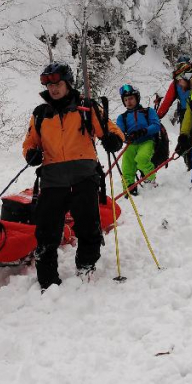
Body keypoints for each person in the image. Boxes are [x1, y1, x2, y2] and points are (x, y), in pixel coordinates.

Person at [22, 62, 124, 290]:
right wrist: (31, 154)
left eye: (58, 84)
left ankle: (86, 265)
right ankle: (47, 280)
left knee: (88, 226)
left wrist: (113, 139)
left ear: (68, 83)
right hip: (52, 179)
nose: (54, 89)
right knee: (47, 232)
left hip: (84, 177)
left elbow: (113, 130)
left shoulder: (86, 108)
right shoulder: (40, 114)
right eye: (50, 85)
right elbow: (29, 143)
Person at [116, 84, 161, 192]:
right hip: (131, 144)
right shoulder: (122, 117)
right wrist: (124, 136)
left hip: (147, 141)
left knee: (142, 159)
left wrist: (144, 131)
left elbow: (156, 125)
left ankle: (150, 179)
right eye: (126, 100)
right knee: (127, 166)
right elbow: (119, 131)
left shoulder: (147, 111)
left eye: (131, 98)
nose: (128, 102)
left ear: (137, 98)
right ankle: (129, 187)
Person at [157, 55, 192, 170]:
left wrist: (158, 116)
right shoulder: (177, 83)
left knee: (188, 137)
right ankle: (191, 162)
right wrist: (158, 116)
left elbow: (167, 101)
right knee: (188, 138)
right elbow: (167, 101)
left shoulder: (182, 81)